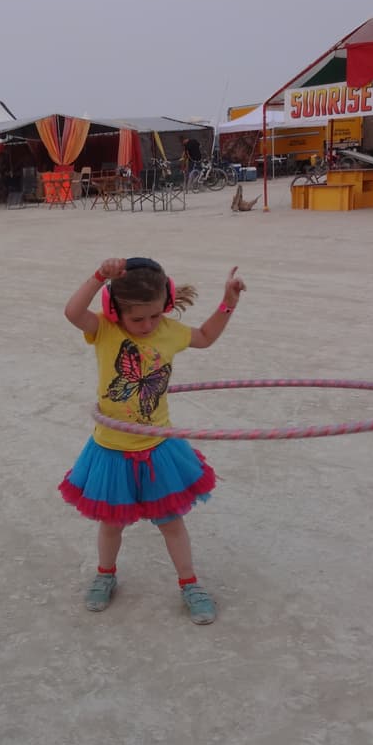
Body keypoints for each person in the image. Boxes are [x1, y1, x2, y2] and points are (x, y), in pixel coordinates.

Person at [59, 256, 247, 625]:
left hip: (157, 448)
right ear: (115, 310)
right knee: (111, 523)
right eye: (137, 319)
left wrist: (228, 303)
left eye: (155, 316)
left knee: (171, 522)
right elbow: (72, 312)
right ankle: (105, 574)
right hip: (112, 450)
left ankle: (190, 583)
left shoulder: (170, 331)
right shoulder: (105, 329)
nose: (147, 326)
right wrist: (99, 276)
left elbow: (205, 337)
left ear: (167, 303)